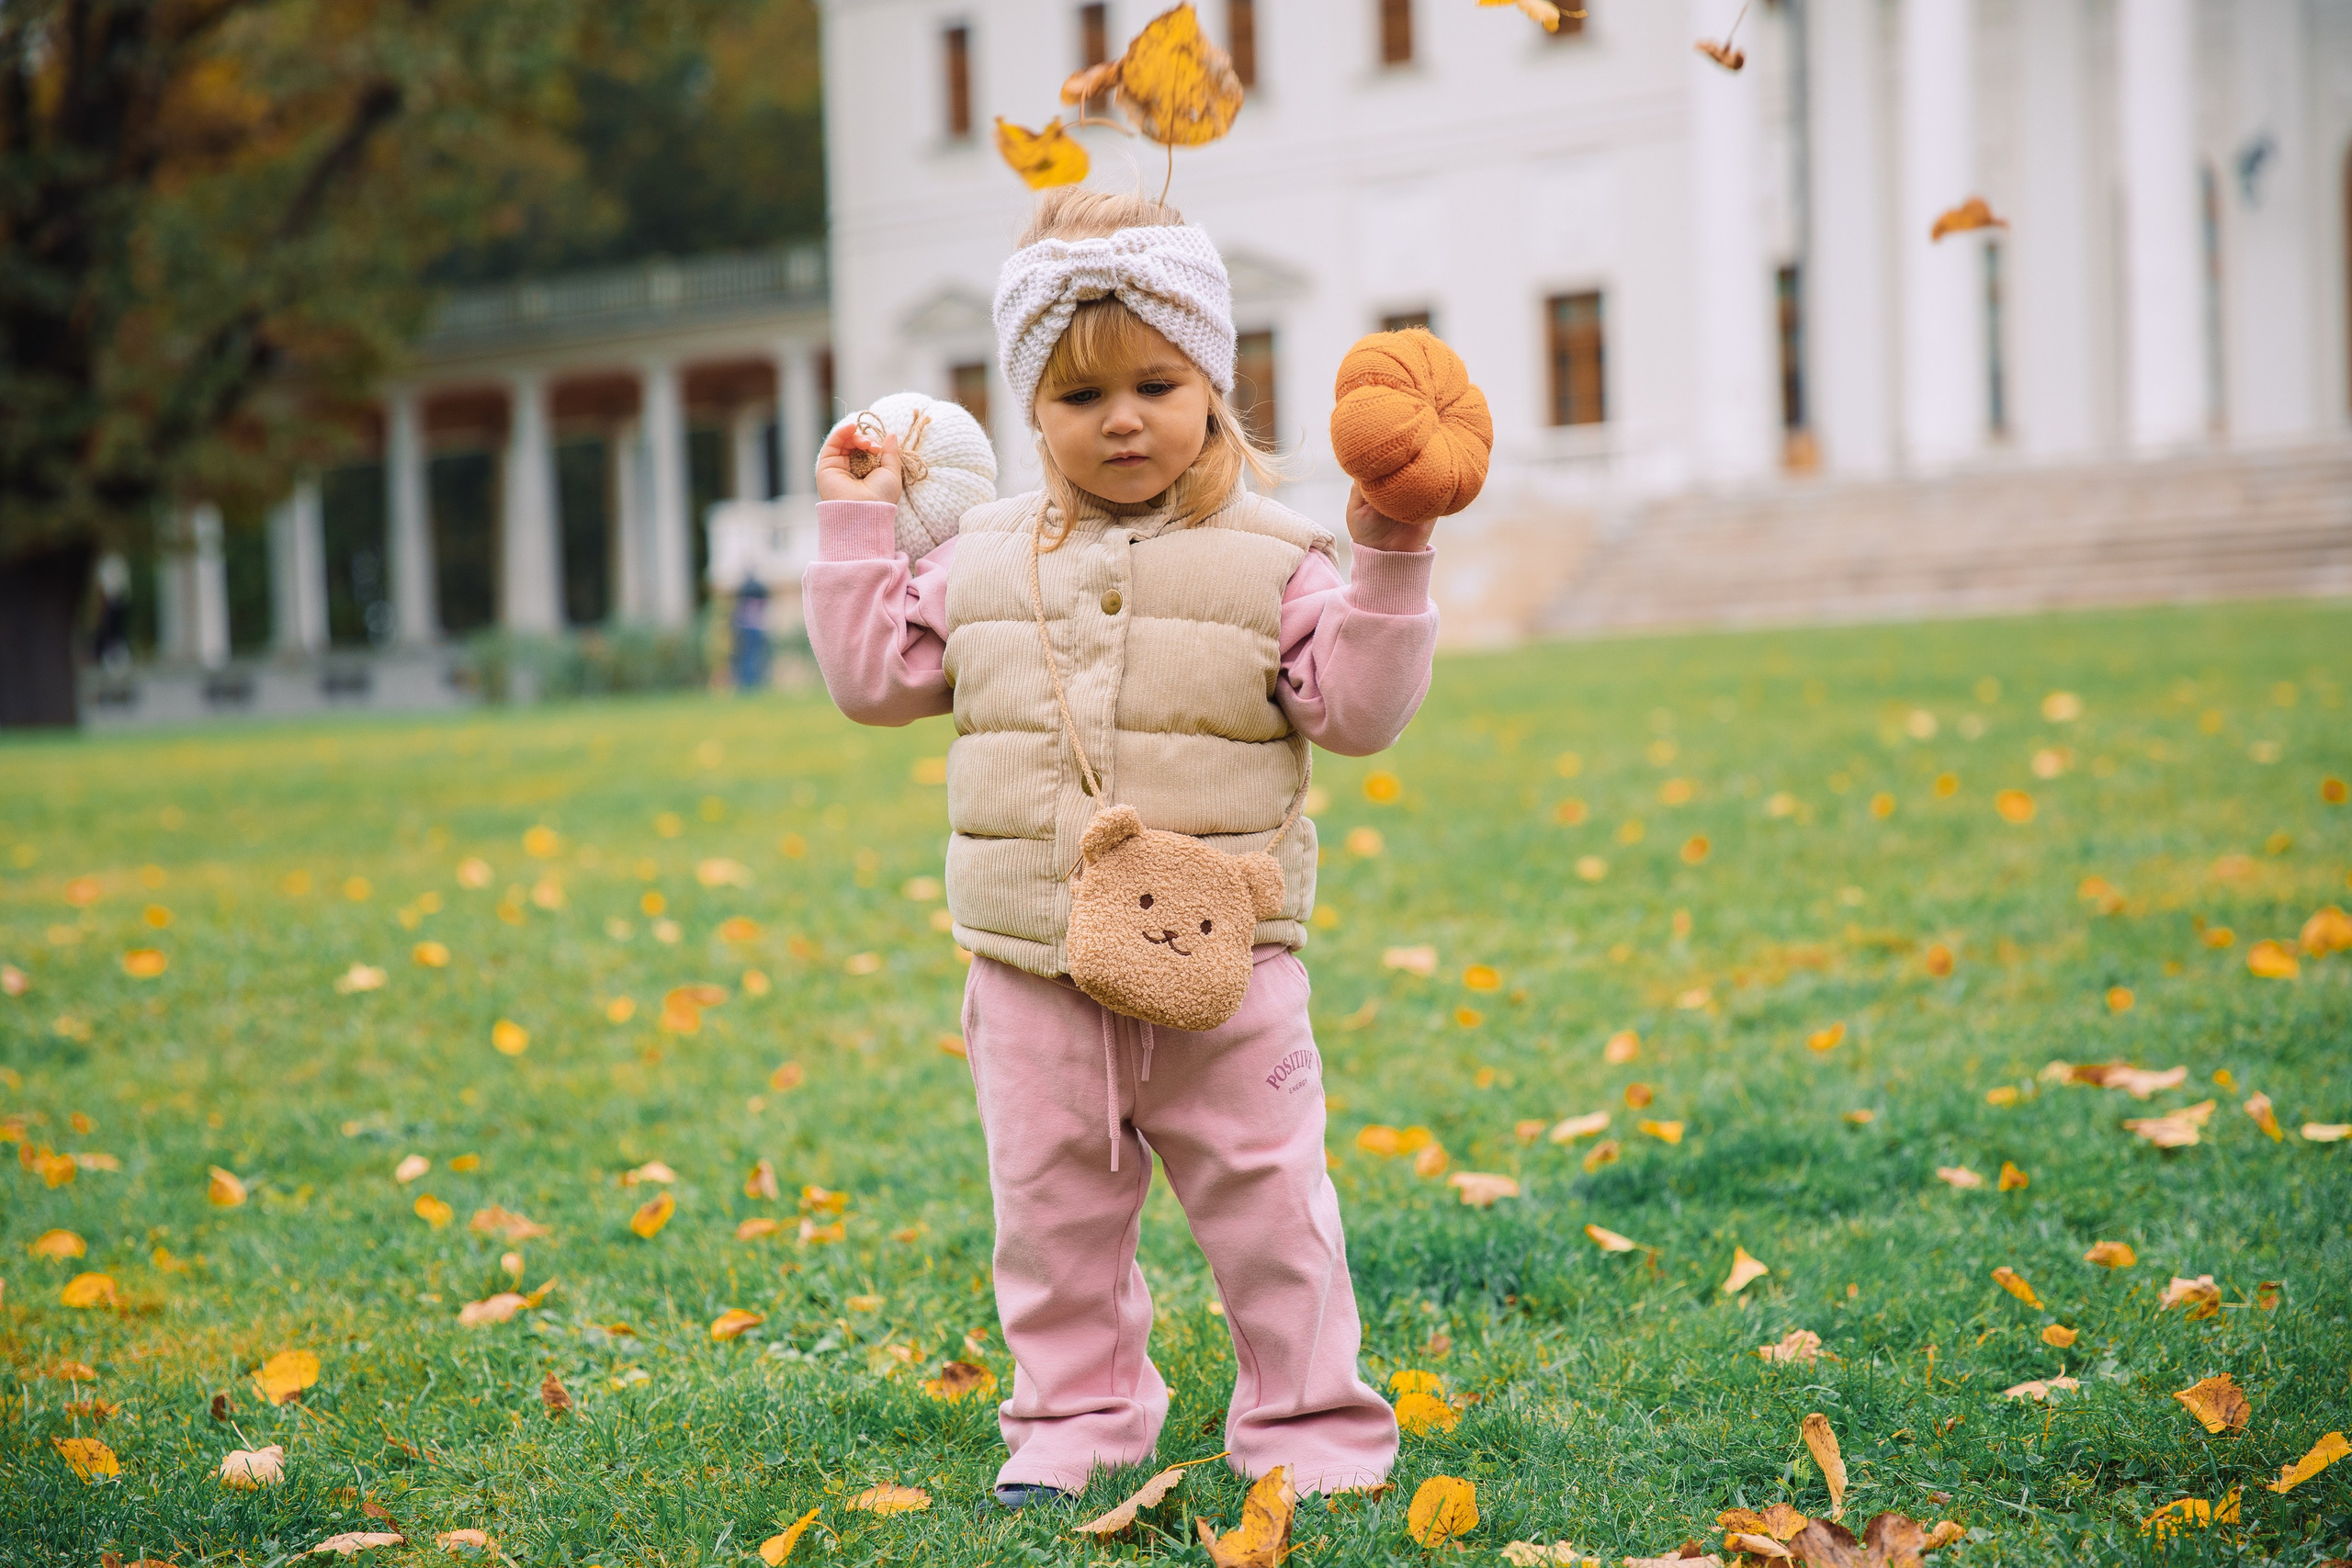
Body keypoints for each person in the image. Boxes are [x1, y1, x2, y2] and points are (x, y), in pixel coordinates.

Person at [803, 188, 1440, 1506]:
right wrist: (859, 521)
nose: (1124, 419)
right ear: (1030, 410)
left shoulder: (1280, 558)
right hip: (1032, 966)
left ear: (1214, 384)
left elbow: (1360, 713)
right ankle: (1077, 1420)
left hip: (1230, 968)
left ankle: (1312, 1422)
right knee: (1053, 1223)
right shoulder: (979, 559)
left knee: (1272, 1211)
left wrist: (1391, 553)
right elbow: (874, 682)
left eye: (1157, 382)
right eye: (1080, 396)